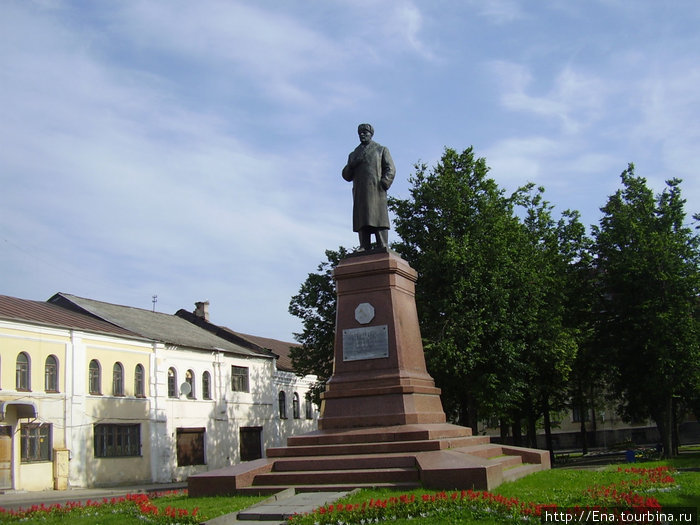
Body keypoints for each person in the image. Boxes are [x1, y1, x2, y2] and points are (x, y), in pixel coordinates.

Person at [342, 123, 396, 250]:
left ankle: (382, 243)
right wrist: (352, 165)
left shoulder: (380, 149)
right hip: (360, 191)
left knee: (378, 216)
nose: (362, 135)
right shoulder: (353, 154)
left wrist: (384, 182)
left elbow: (391, 168)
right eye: (360, 133)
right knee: (362, 217)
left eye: (365, 132)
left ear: (371, 134)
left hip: (376, 189)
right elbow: (346, 176)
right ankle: (364, 245)